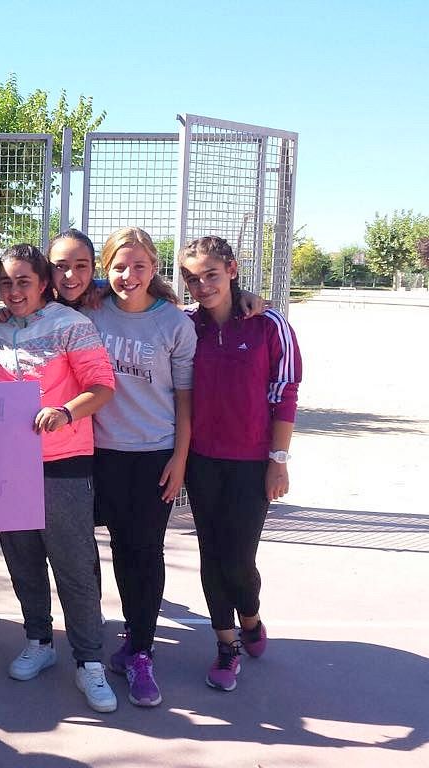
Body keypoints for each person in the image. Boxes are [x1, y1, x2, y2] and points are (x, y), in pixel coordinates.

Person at [0, 243, 119, 713]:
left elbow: (102, 386)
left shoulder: (71, 325)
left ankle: (89, 661)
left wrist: (65, 412)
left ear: (44, 283)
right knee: (22, 558)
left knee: (74, 565)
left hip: (64, 461)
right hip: (8, 464)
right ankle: (39, 641)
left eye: (24, 281)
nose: (14, 291)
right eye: (5, 282)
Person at [178, 235, 302, 692]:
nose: (202, 286)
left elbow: (285, 393)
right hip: (202, 461)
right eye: (192, 278)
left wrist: (278, 460)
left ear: (232, 269)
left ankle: (249, 616)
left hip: (251, 463)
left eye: (211, 274)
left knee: (239, 559)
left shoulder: (269, 324)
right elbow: (130, 300)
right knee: (211, 554)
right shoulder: (185, 325)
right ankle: (227, 645)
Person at [83, 227, 197, 708]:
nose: (128, 275)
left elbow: (186, 400)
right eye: (119, 267)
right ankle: (97, 636)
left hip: (154, 453)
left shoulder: (174, 324)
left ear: (154, 268)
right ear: (106, 270)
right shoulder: (91, 311)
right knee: (103, 546)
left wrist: (180, 459)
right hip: (100, 451)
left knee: (144, 551)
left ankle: (141, 650)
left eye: (139, 266)